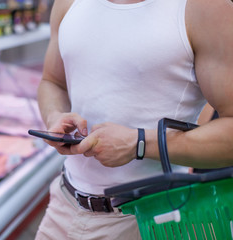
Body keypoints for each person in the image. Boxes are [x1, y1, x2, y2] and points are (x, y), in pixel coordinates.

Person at [34, 0, 233, 239]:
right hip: (63, 206)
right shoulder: (68, 3)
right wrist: (55, 115)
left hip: (150, 218)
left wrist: (139, 143)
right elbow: (52, 82)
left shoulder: (205, 7)